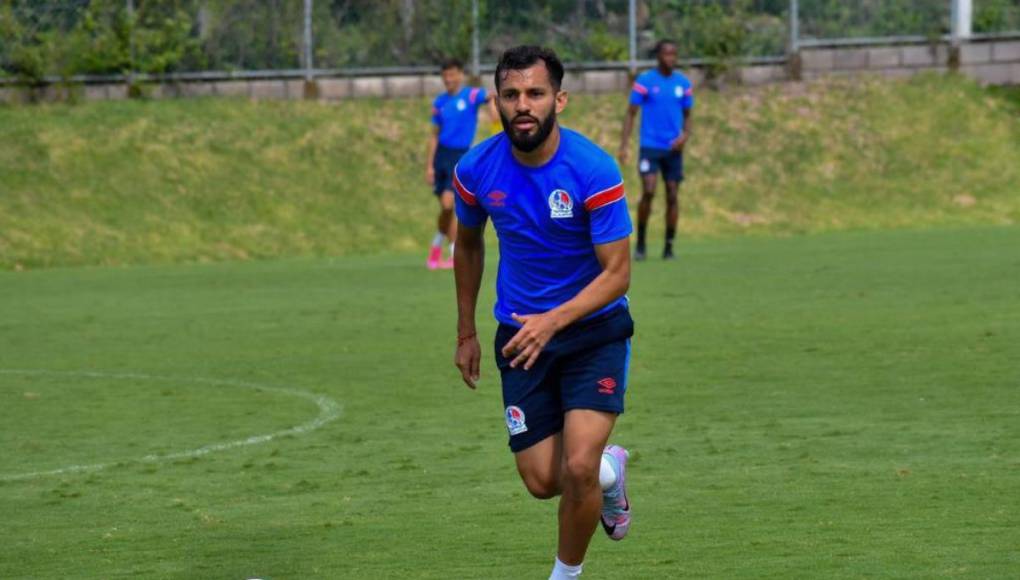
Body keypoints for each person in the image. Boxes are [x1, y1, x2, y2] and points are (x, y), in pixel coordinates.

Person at [453, 45, 634, 580]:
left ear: (560, 99)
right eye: (511, 95)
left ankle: (565, 574)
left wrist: (554, 320)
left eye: (535, 93)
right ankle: (610, 471)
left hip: (593, 331)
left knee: (575, 467)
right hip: (520, 336)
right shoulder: (476, 170)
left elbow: (618, 274)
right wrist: (466, 332)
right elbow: (467, 245)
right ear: (496, 103)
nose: (523, 105)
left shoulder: (593, 169)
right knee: (540, 480)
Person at [618, 39, 694, 261]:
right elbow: (631, 113)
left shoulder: (683, 83)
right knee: (649, 191)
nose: (671, 58)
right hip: (650, 146)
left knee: (672, 194)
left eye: (674, 54)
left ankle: (669, 247)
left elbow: (689, 117)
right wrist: (624, 145)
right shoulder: (646, 81)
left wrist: (685, 136)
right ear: (658, 56)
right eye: (667, 54)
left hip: (673, 149)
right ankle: (640, 244)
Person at [424, 58, 490, 269]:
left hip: (460, 156)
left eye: (452, 74)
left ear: (461, 75)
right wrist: (429, 165)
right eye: (445, 76)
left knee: (449, 204)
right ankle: (437, 249)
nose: (448, 79)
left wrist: (495, 114)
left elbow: (491, 96)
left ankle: (451, 252)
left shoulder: (470, 95)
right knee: (445, 209)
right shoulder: (440, 102)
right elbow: (434, 135)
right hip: (441, 157)